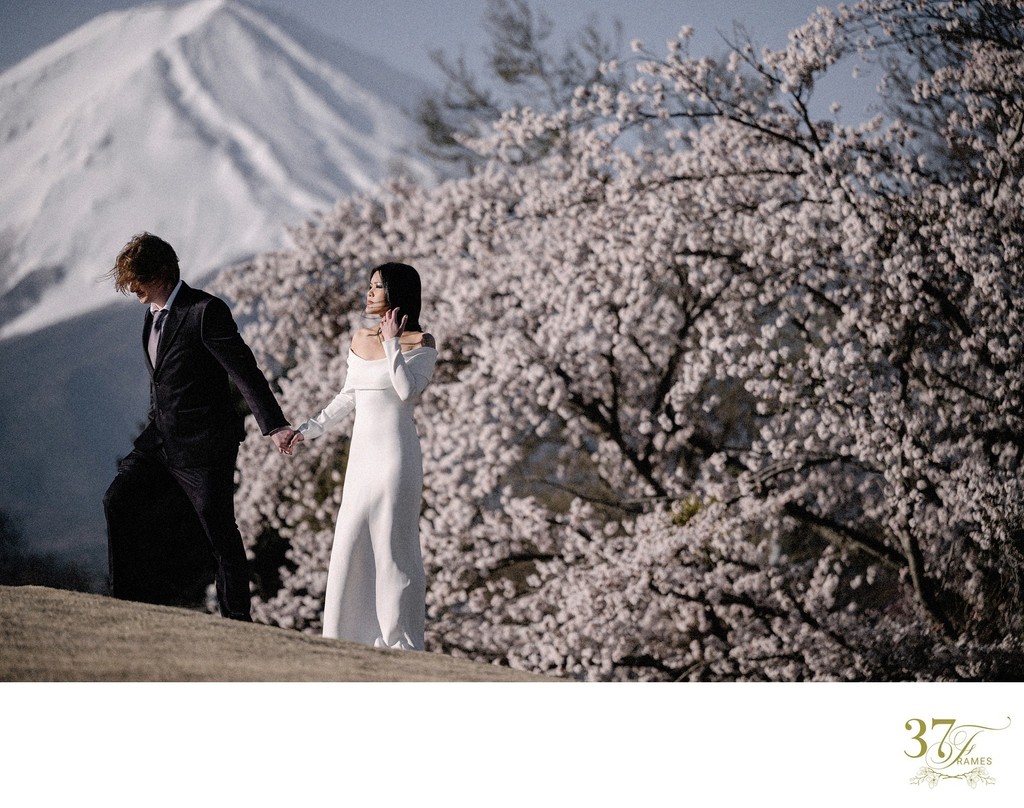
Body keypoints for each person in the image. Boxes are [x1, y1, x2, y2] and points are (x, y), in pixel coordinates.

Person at [102, 232, 298, 621]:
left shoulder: (205, 310)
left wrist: (274, 425)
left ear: (163, 272)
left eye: (139, 279)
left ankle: (237, 622)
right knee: (117, 500)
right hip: (158, 443)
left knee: (219, 535)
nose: (134, 289)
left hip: (204, 448)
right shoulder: (150, 316)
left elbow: (244, 371)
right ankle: (122, 602)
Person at [290, 262, 437, 650]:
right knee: (349, 542)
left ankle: (399, 642)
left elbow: (406, 391)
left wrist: (392, 343)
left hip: (396, 458)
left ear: (397, 293)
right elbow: (347, 397)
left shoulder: (422, 343)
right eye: (369, 286)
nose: (369, 293)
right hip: (361, 461)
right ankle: (343, 637)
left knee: (392, 547)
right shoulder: (358, 338)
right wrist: (306, 430)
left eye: (377, 287)